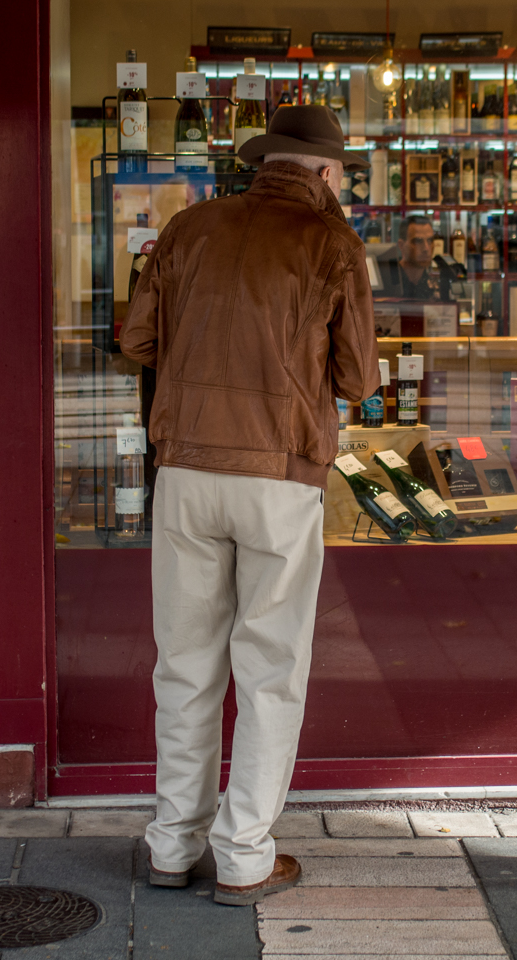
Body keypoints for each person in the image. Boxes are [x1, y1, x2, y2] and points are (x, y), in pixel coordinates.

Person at [120, 105, 379, 906]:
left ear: (266, 161)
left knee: (185, 664)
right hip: (280, 475)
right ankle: (243, 856)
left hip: (189, 468)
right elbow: (358, 380)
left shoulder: (190, 226)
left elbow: (135, 343)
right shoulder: (333, 243)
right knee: (270, 670)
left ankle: (171, 845)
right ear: (327, 173)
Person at [379, 214, 450, 300]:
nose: (426, 248)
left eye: (430, 240)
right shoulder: (388, 280)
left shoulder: (431, 285)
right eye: (418, 241)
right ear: (401, 245)